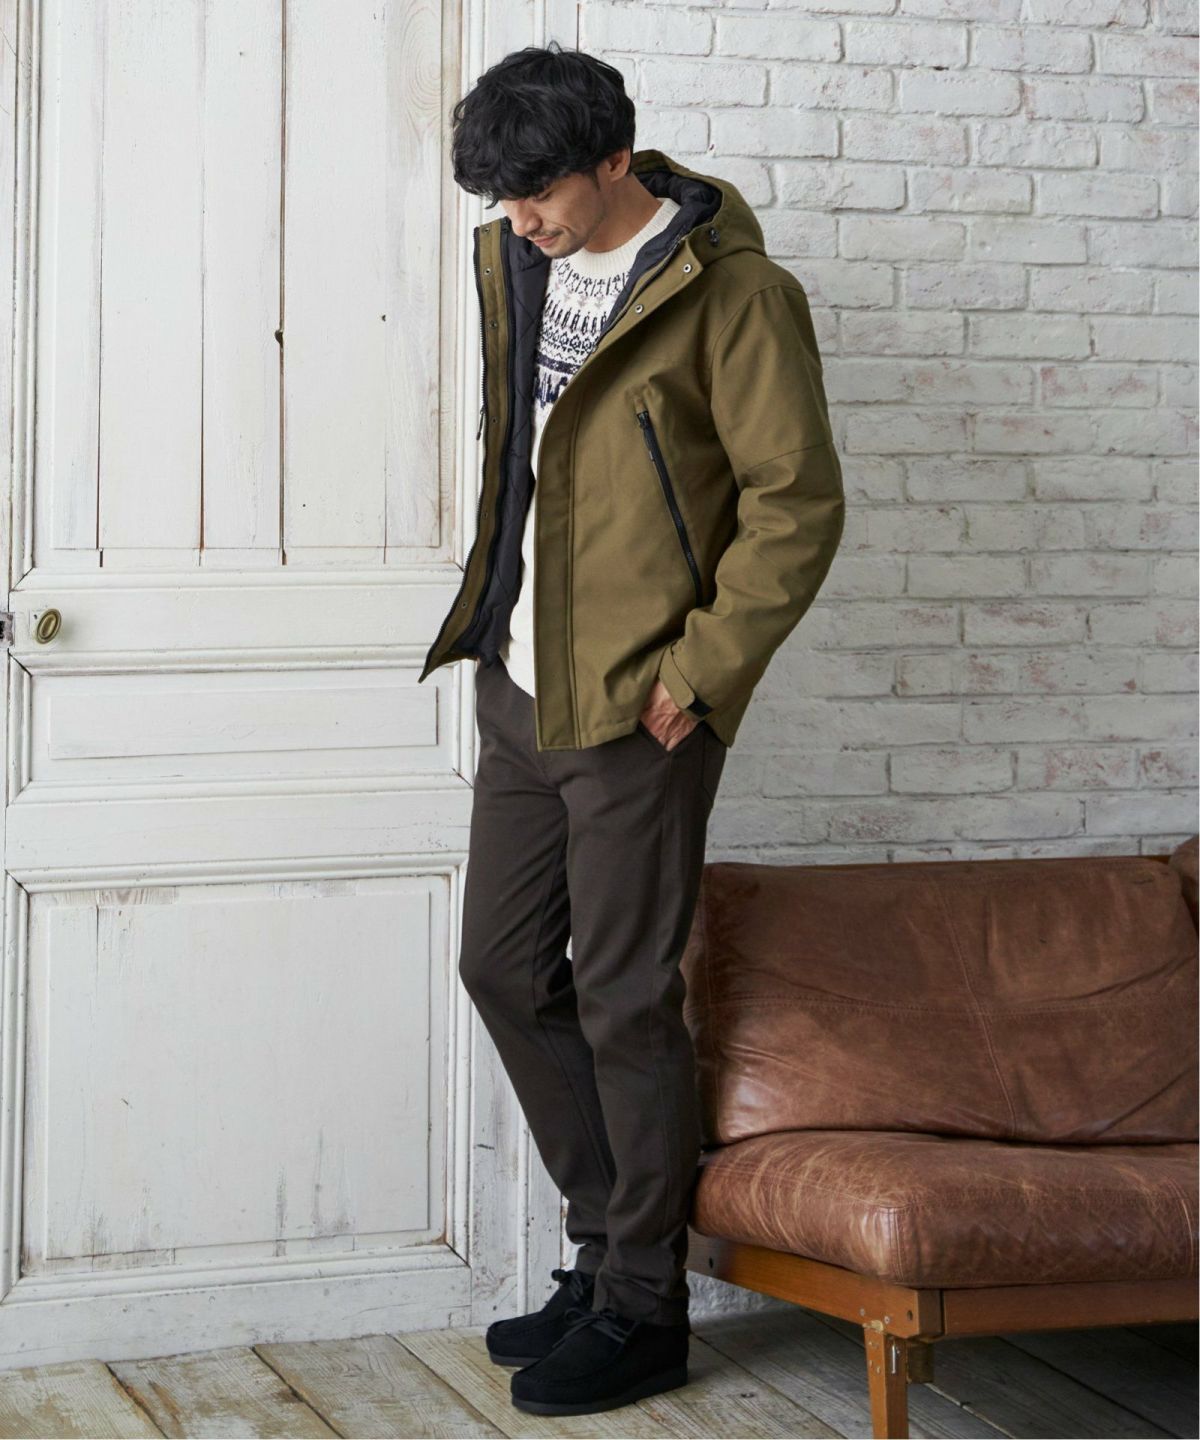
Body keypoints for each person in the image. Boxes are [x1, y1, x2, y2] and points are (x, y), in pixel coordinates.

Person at [416, 41, 845, 1418]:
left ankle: (647, 1308)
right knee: (501, 965)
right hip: (521, 686)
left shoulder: (736, 296)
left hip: (641, 709)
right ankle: (609, 1254)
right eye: (501, 197)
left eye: (539, 190)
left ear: (615, 159)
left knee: (623, 997)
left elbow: (796, 505)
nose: (519, 218)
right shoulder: (523, 258)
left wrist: (700, 673)